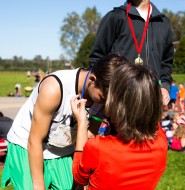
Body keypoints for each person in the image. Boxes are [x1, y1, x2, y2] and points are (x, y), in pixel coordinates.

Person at [1, 54, 128, 190]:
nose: (105, 103)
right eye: (103, 98)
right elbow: (35, 140)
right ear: (92, 79)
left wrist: (82, 176)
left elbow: (90, 136)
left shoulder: (102, 96)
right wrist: (38, 186)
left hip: (62, 148)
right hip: (27, 144)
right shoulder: (54, 89)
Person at [71, 64, 168, 189]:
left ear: (116, 106)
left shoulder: (97, 147)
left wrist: (82, 123)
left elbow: (79, 177)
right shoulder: (161, 140)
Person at [89, 0, 174, 106]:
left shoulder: (163, 22)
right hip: (119, 102)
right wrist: (107, 91)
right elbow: (96, 58)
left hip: (150, 102)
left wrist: (164, 87)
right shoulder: (115, 17)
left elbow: (166, 63)